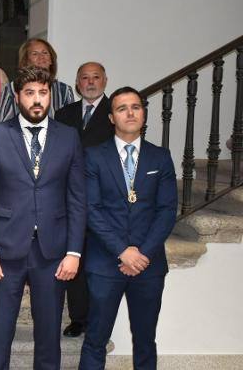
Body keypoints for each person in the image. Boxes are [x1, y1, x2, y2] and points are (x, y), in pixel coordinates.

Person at [0, 66, 86, 369]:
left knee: (49, 335)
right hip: (4, 251)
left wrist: (74, 252)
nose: (37, 99)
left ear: (50, 95)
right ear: (17, 95)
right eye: (30, 93)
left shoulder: (69, 137)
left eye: (43, 93)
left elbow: (77, 199)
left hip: (52, 252)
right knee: (0, 334)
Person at [79, 87, 178, 370]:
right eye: (122, 108)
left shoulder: (161, 157)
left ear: (143, 114)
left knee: (145, 340)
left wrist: (142, 254)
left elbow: (167, 210)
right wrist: (123, 251)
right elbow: (91, 209)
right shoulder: (93, 156)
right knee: (95, 339)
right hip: (105, 262)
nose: (130, 113)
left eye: (136, 107)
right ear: (112, 118)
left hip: (149, 264)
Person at [55, 61, 114, 338]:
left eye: (96, 77)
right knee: (74, 257)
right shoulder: (64, 113)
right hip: (69, 197)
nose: (90, 82)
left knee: (99, 262)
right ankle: (78, 318)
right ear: (77, 83)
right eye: (85, 78)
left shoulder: (114, 111)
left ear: (105, 81)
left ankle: (98, 319)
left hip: (104, 197)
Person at [0, 38, 74, 123]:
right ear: (26, 61)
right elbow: (3, 124)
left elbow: (70, 126)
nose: (41, 57)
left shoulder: (64, 90)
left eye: (45, 53)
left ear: (51, 60)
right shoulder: (12, 88)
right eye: (35, 54)